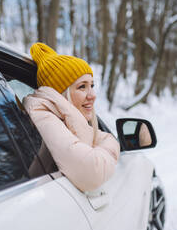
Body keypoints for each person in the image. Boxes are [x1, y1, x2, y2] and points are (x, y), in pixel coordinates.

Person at [23, 42, 120, 192]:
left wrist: (107, 142)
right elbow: (93, 172)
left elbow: (100, 136)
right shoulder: (44, 115)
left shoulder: (63, 119)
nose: (93, 95)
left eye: (92, 86)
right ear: (60, 93)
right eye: (82, 86)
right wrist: (110, 146)